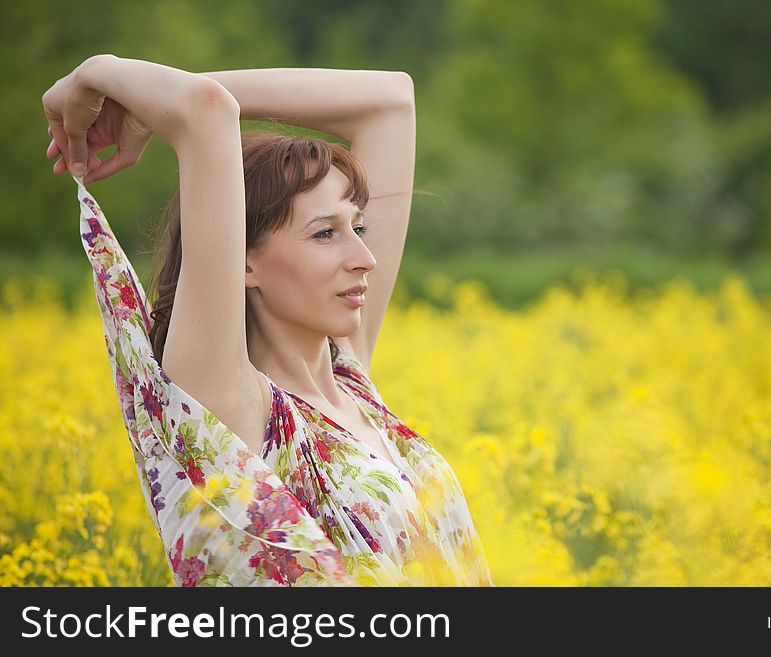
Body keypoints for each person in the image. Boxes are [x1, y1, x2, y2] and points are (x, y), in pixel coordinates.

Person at [42, 54, 494, 587]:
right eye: (326, 233)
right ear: (244, 261)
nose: (364, 258)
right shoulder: (230, 409)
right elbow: (204, 111)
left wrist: (137, 115)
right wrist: (97, 72)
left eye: (360, 228)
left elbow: (389, 101)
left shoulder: (351, 381)